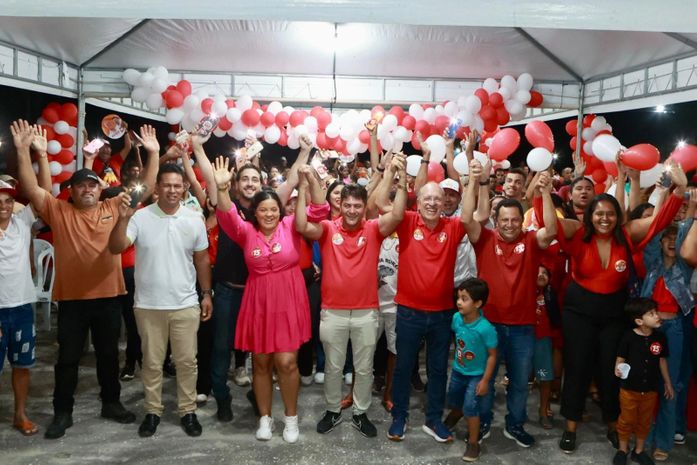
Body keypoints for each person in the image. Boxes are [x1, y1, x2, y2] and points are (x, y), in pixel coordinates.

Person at [12, 120, 158, 439]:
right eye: (81, 186)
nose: (88, 189)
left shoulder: (112, 204)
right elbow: (33, 187)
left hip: (108, 297)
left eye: (92, 185)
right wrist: (24, 150)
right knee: (67, 360)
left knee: (109, 356)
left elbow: (145, 188)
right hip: (73, 301)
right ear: (72, 191)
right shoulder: (59, 211)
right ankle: (63, 413)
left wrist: (154, 154)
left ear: (99, 188)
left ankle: (111, 403)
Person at [540, 162, 687, 453]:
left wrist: (680, 190)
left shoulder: (627, 233)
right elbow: (551, 226)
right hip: (578, 312)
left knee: (614, 370)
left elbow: (660, 220)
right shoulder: (576, 234)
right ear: (590, 216)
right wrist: (545, 193)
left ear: (616, 216)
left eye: (610, 214)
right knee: (578, 367)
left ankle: (612, 425)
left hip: (614, 314)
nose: (604, 219)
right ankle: (570, 426)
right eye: (599, 214)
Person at [213, 155, 329, 443]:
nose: (268, 214)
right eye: (262, 210)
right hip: (259, 303)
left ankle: (291, 419)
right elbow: (226, 214)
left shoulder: (291, 225)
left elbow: (319, 210)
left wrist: (310, 180)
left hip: (289, 301)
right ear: (255, 213)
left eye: (273, 209)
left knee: (288, 363)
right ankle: (264, 418)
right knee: (261, 363)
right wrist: (222, 188)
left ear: (280, 210)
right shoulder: (246, 232)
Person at [295, 156, 407, 438]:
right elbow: (301, 226)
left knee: (364, 368)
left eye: (358, 205)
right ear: (340, 206)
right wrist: (303, 189)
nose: (354, 210)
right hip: (332, 311)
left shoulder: (373, 229)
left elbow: (397, 215)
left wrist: (399, 179)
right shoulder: (329, 229)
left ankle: (359, 412)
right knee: (333, 368)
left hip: (366, 312)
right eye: (348, 205)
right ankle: (333, 410)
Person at [108, 163, 213, 438]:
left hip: (185, 303)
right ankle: (153, 411)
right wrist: (122, 218)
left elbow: (202, 259)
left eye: (177, 185)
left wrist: (206, 294)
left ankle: (187, 411)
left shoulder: (194, 218)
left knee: (187, 362)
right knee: (152, 363)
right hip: (148, 305)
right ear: (157, 188)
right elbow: (116, 247)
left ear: (185, 188)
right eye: (167, 185)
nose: (172, 190)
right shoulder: (139, 217)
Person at [385, 158, 480, 444]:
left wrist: (474, 180)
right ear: (418, 199)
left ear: (444, 203)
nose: (432, 203)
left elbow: (470, 213)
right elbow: (382, 204)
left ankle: (434, 419)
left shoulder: (453, 226)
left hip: (442, 314)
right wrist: (397, 176)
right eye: (427, 197)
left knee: (438, 369)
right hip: (409, 312)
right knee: (404, 367)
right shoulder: (406, 221)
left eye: (437, 199)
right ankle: (400, 416)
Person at [465, 170, 558, 447]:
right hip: (488, 326)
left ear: (522, 221)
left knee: (519, 382)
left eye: (515, 220)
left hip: (522, 326)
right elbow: (466, 219)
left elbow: (551, 230)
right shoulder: (484, 239)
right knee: (485, 379)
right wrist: (474, 181)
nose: (509, 224)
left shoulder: (530, 241)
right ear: (496, 220)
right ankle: (481, 423)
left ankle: (514, 424)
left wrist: (544, 192)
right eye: (504, 220)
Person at [642, 195, 695, 461]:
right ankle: (644, 438)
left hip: (673, 330)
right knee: (647, 386)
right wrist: (668, 205)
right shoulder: (652, 263)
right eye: (668, 238)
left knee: (669, 386)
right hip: (648, 330)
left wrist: (692, 208)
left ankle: (663, 440)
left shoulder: (685, 266)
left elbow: (685, 236)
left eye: (677, 239)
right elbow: (654, 234)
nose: (672, 242)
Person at [613, 298, 674, 465]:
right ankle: (622, 450)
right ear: (639, 321)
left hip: (650, 390)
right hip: (629, 390)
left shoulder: (660, 338)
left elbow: (662, 361)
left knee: (644, 421)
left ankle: (638, 451)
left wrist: (668, 383)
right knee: (626, 420)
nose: (657, 316)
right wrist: (617, 367)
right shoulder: (628, 336)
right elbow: (620, 357)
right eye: (651, 314)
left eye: (656, 312)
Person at [0, 179, 38, 436]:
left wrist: (41, 156)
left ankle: (19, 414)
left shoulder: (23, 223)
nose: (3, 206)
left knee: (22, 365)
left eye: (7, 201)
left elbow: (42, 192)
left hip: (23, 307)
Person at [444, 279, 497, 462]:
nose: (459, 302)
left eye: (464, 299)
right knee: (454, 399)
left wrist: (485, 380)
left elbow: (492, 356)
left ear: (477, 303)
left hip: (476, 376)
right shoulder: (456, 319)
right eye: (458, 297)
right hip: (458, 371)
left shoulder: (486, 328)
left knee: (470, 407)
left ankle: (474, 443)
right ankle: (455, 415)